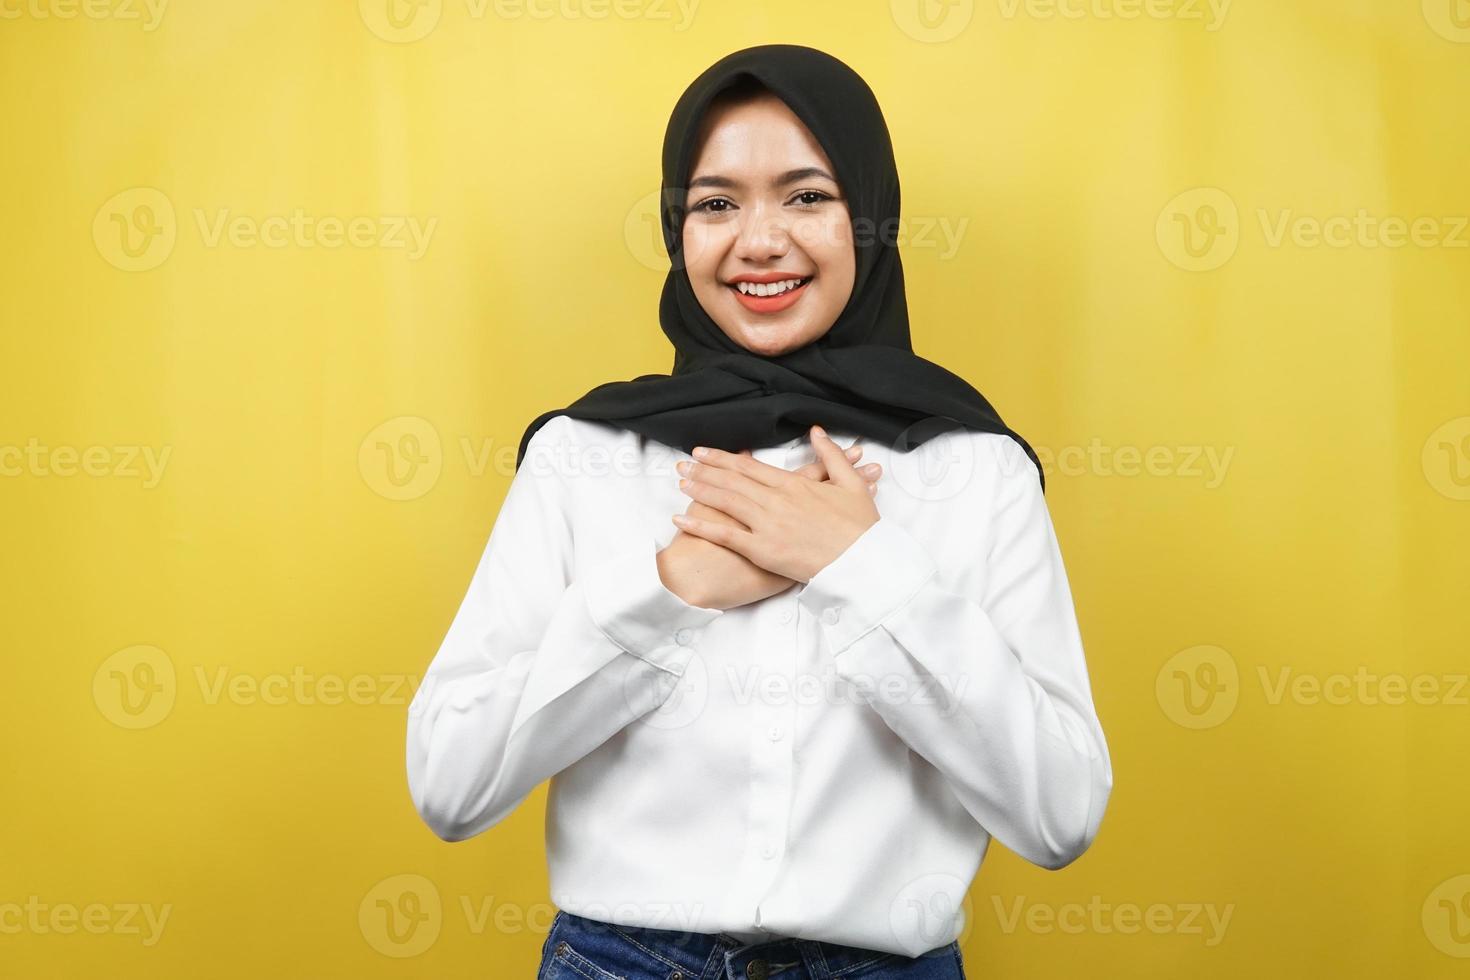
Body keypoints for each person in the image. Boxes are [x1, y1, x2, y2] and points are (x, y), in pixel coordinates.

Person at [405, 44, 1113, 980]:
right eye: (716, 203)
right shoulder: (583, 456)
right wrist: (671, 587)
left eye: (808, 196)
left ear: (870, 217)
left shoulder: (973, 470)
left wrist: (860, 567)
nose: (761, 240)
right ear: (677, 227)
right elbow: (451, 785)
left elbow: (1060, 814)